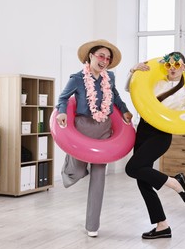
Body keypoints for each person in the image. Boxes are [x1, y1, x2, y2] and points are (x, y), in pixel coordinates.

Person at [125, 52, 185, 239]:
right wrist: (133, 71)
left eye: (177, 65)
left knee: (132, 168)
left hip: (161, 134)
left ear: (183, 68)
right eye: (169, 65)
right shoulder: (157, 84)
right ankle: (162, 226)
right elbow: (131, 89)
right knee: (143, 181)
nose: (172, 68)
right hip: (143, 131)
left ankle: (175, 183)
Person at [56, 39, 133, 238]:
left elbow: (115, 96)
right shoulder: (77, 78)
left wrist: (124, 111)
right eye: (101, 56)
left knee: (99, 177)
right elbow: (63, 98)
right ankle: (71, 168)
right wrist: (62, 112)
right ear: (90, 56)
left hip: (104, 129)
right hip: (83, 128)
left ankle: (92, 225)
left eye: (107, 58)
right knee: (78, 170)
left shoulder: (111, 78)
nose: (104, 60)